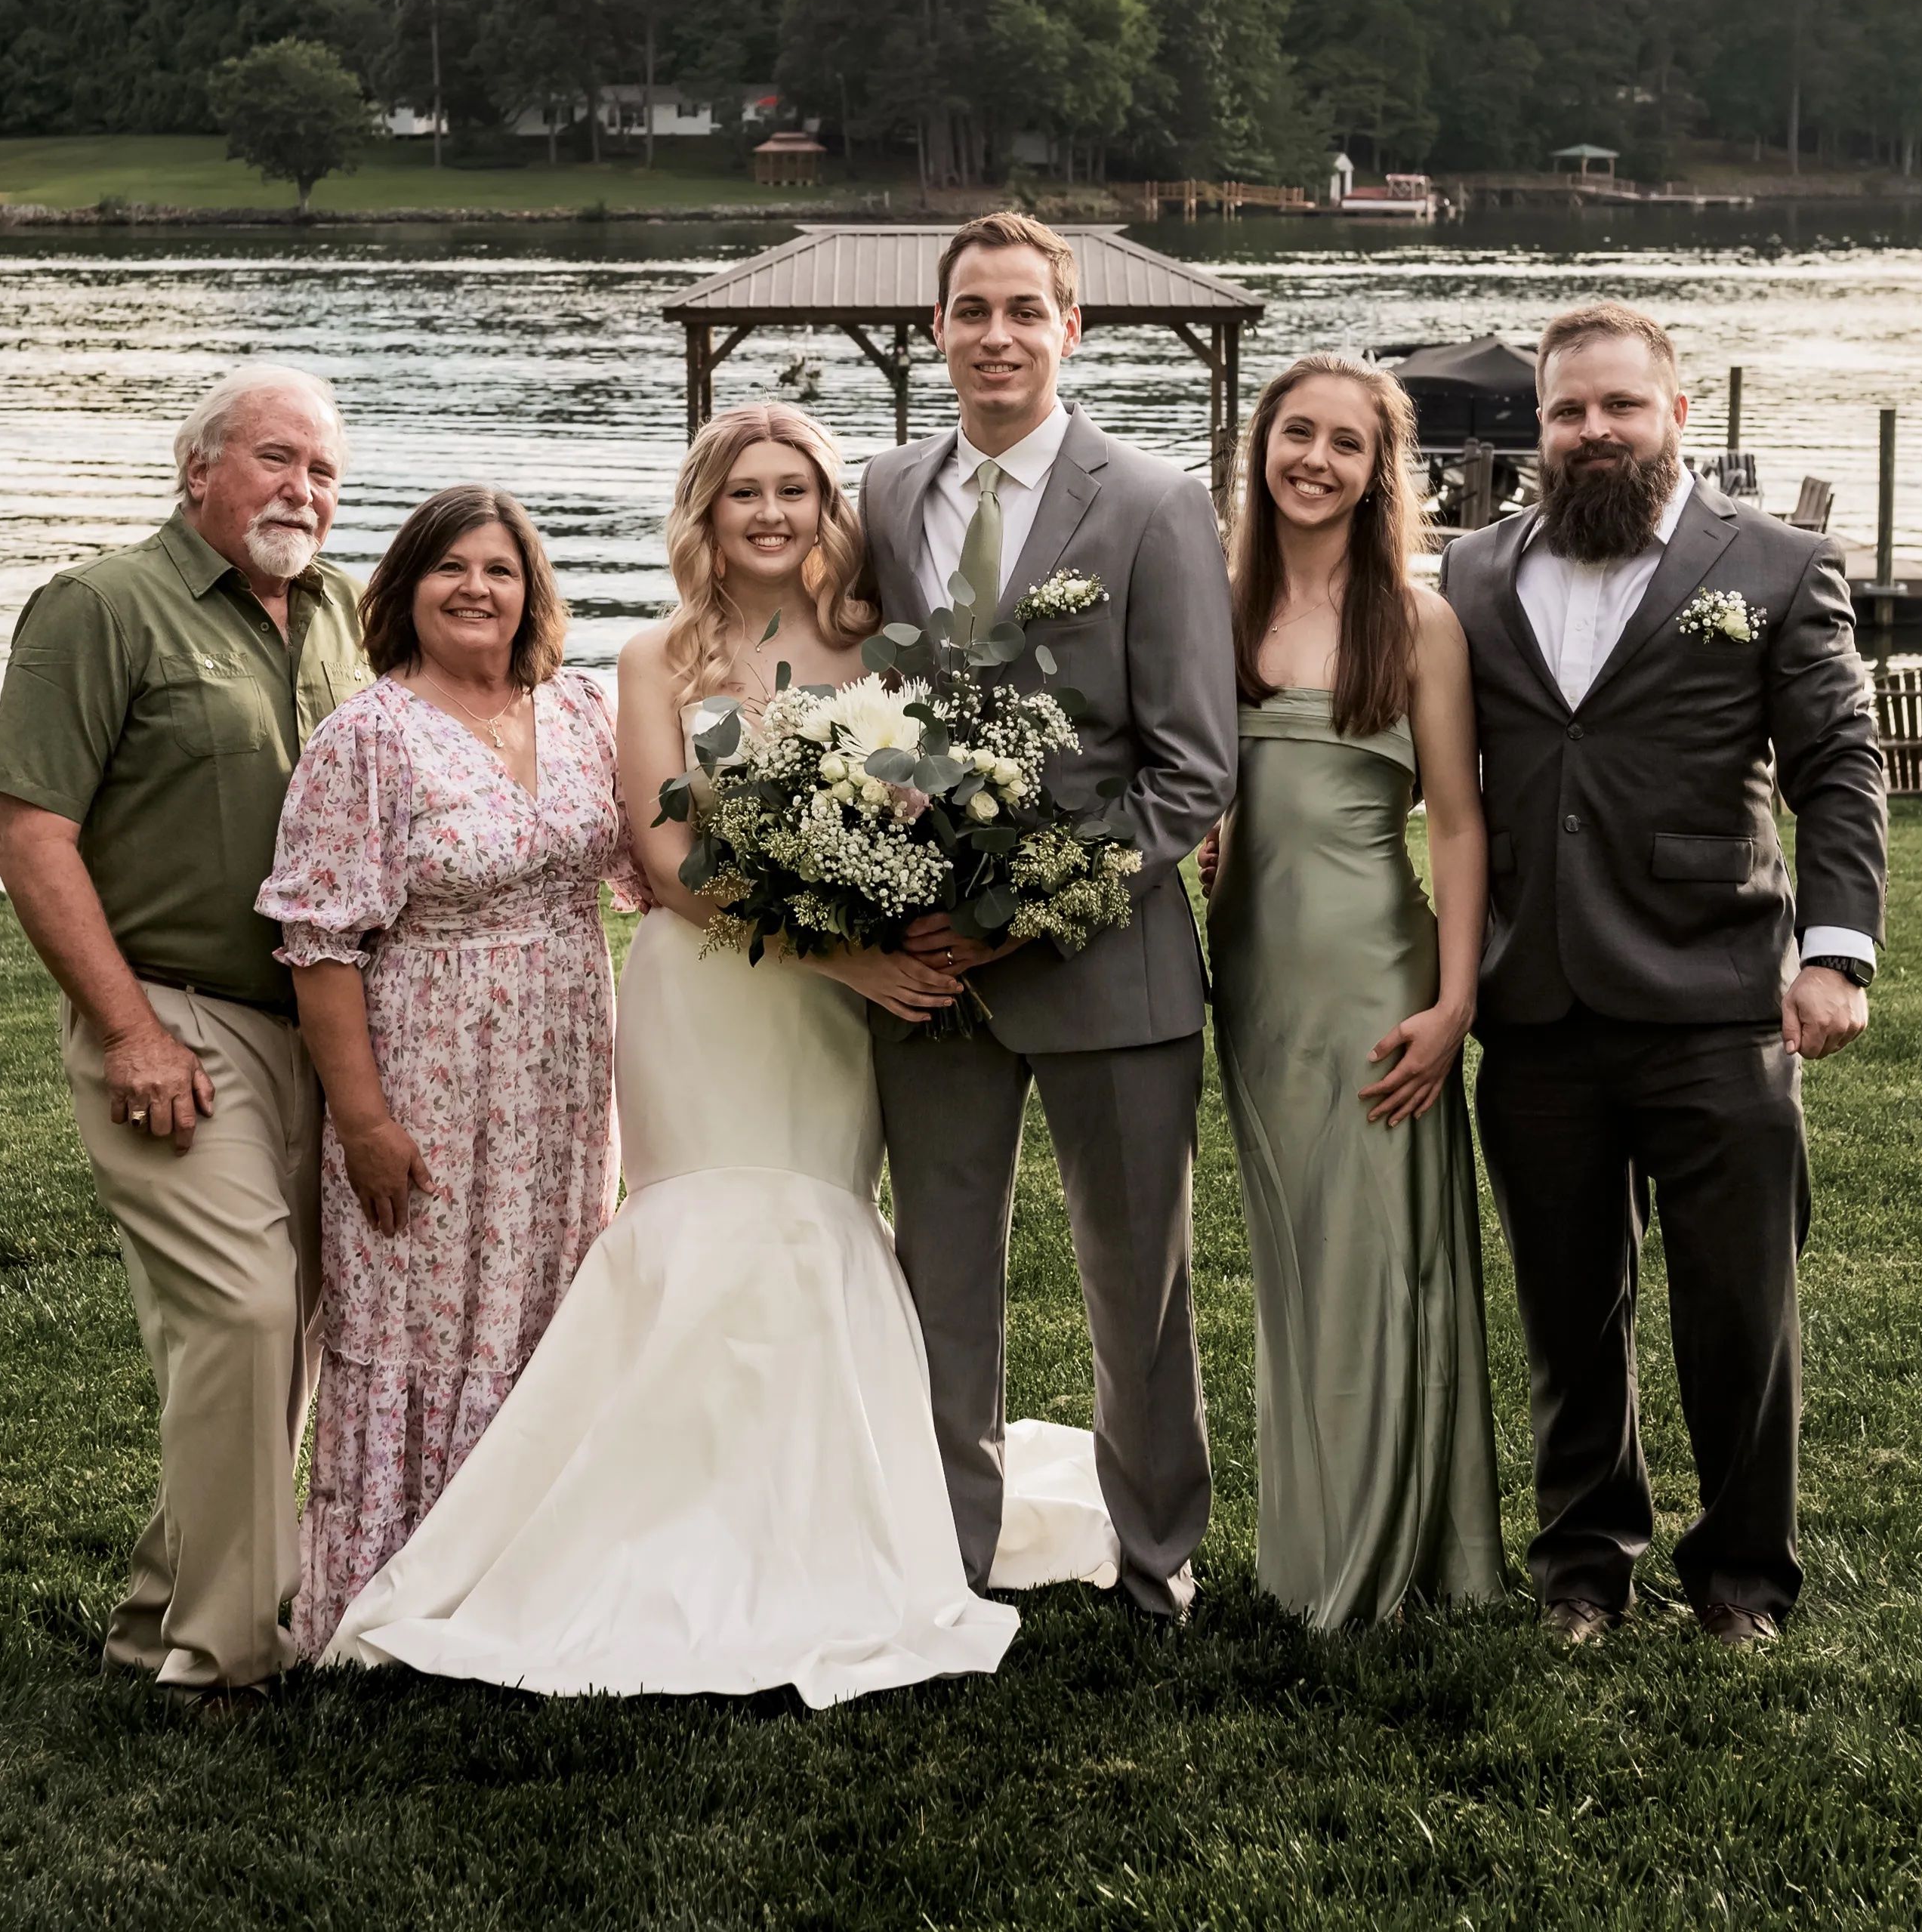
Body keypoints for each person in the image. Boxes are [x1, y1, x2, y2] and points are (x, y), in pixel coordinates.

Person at [319, 405, 1118, 1703]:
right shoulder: (655, 659)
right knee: (694, 1233)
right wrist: (840, 955)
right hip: (707, 992)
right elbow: (664, 858)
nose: (769, 511)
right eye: (743, 489)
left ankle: (818, 1517)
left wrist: (893, 912)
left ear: (826, 508)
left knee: (814, 1224)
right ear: (706, 510)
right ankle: (638, 1523)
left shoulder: (882, 653)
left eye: (794, 488)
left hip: (827, 1021)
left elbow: (933, 810)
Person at [1436, 300, 1886, 1650]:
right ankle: (1585, 1566)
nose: (1594, 431)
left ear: (1677, 414)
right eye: (1570, 410)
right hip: (1537, 1004)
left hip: (1716, 995)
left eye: (1621, 406)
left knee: (1739, 1314)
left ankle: (1743, 1579)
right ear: (1541, 423)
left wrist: (1836, 952)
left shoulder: (1779, 564)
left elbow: (1839, 768)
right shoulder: (1468, 574)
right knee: (1569, 1316)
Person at [853, 211, 1239, 1625]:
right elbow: (861, 712)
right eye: (971, 311)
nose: (997, 335)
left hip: (1110, 963)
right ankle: (949, 1558)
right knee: (937, 1277)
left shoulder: (1150, 503)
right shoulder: (883, 494)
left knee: (1135, 1283)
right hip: (926, 976)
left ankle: (1157, 1563)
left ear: (1071, 331)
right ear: (937, 330)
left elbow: (1192, 766)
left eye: (1026, 310)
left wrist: (1035, 915)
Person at [0, 364, 369, 1693]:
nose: (301, 491)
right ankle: (222, 1661)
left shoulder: (346, 614)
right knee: (249, 1312)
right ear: (196, 469)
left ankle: (159, 1611)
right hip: (175, 1020)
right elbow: (31, 836)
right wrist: (131, 1029)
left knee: (277, 1332)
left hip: (320, 1026)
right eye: (274, 460)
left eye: (322, 470)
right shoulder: (101, 607)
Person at [257, 485, 628, 1657]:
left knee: (548, 1301)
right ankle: (397, 1591)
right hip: (429, 1066)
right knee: (424, 1313)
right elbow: (320, 945)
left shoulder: (579, 709)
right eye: (450, 568)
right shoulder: (366, 735)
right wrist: (361, 1120)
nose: (477, 589)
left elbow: (647, 868)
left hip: (567, 1072)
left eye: (501, 570)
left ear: (533, 593)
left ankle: (534, 1577)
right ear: (405, 589)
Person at [1199, 354, 1505, 1631]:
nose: (1315, 460)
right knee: (1296, 1256)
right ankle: (1303, 1542)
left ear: (1383, 471)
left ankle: (1387, 1558)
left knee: (1382, 1254)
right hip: (1254, 980)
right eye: (1295, 434)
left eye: (1346, 443)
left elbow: (1457, 827)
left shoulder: (1417, 620)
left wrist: (1455, 1002)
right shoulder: (1215, 607)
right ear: (1260, 449)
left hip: (1380, 972)